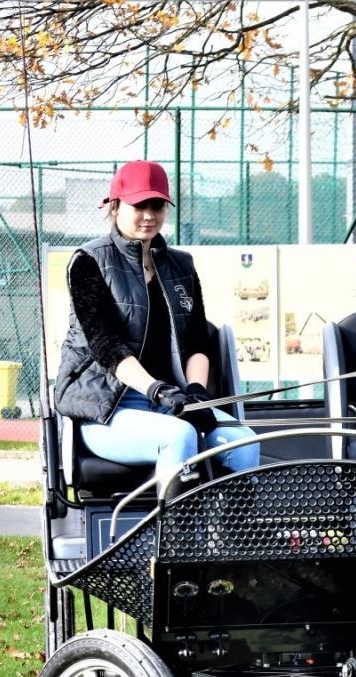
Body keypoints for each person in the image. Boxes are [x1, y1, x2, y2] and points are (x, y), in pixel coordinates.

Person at [56, 160, 258, 488]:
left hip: (170, 401)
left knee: (244, 444)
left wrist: (194, 393)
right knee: (178, 435)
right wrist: (156, 389)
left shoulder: (181, 265)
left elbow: (196, 341)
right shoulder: (88, 261)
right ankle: (176, 539)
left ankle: (228, 538)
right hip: (106, 409)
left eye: (158, 205)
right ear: (116, 206)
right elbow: (106, 345)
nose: (149, 215)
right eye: (140, 205)